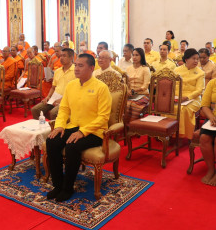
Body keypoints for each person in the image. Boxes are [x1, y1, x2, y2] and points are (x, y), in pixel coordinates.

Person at [46, 53, 111, 202]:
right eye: (76, 65)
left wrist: (83, 132)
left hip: (94, 131)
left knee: (72, 146)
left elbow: (103, 117)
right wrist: (60, 126)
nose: (76, 68)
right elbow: (64, 109)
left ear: (91, 68)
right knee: (52, 141)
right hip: (73, 126)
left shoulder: (101, 88)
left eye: (81, 66)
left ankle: (68, 188)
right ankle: (58, 185)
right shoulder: (71, 85)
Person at [31, 48, 75, 120]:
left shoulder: (76, 71)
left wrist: (61, 99)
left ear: (71, 58)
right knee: (35, 110)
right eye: (61, 56)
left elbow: (75, 91)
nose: (61, 58)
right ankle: (42, 130)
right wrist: (48, 97)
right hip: (54, 98)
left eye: (64, 56)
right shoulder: (57, 71)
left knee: (53, 113)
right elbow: (53, 87)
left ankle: (55, 130)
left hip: (67, 100)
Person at [174, 48, 205, 139]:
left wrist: (187, 97)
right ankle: (170, 133)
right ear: (186, 59)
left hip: (193, 99)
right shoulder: (176, 70)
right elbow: (171, 85)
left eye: (197, 59)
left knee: (183, 109)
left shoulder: (200, 73)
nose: (196, 61)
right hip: (177, 97)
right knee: (170, 107)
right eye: (193, 58)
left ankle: (182, 135)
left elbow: (199, 90)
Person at [124, 48, 151, 124]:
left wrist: (134, 91)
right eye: (133, 55)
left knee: (132, 104)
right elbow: (125, 83)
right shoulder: (128, 69)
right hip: (130, 94)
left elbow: (145, 86)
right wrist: (128, 91)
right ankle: (125, 125)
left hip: (143, 95)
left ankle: (133, 125)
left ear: (141, 56)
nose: (134, 57)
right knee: (123, 103)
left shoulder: (145, 69)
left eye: (137, 55)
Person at [199, 78, 216, 186]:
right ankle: (211, 169)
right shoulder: (213, 82)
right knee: (204, 137)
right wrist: (211, 117)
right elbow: (204, 105)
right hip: (213, 118)